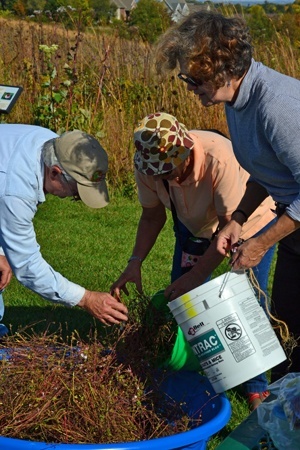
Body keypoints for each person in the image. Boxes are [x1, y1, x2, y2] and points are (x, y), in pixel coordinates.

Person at [154, 10, 300, 383]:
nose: (190, 86)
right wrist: (237, 219)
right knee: (288, 330)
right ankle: (284, 424)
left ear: (221, 66)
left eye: (194, 77)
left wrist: (261, 241)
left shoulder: (277, 106)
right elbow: (268, 172)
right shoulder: (237, 101)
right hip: (294, 224)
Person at [111, 111, 276, 409]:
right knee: (183, 302)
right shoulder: (147, 166)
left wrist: (197, 275)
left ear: (186, 151)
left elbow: (229, 231)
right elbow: (151, 215)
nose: (163, 177)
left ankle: (256, 387)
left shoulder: (220, 158)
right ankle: (194, 370)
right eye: (157, 172)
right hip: (193, 226)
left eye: (168, 170)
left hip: (247, 224)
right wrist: (134, 261)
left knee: (247, 298)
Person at [0, 124, 128, 332]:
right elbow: (27, 265)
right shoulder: (16, 191)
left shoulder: (52, 145)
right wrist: (86, 299)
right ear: (55, 173)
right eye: (75, 191)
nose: (74, 197)